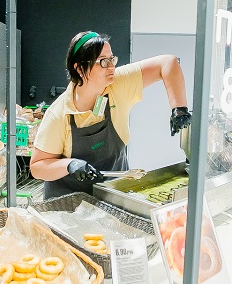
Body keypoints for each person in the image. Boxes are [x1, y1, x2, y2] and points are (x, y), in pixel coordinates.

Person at [30, 31, 192, 199]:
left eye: (112, 59)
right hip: (69, 202)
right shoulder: (58, 114)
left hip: (112, 193)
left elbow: (168, 62)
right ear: (79, 68)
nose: (111, 67)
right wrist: (69, 165)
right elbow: (37, 167)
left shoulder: (117, 83)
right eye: (103, 61)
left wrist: (179, 108)